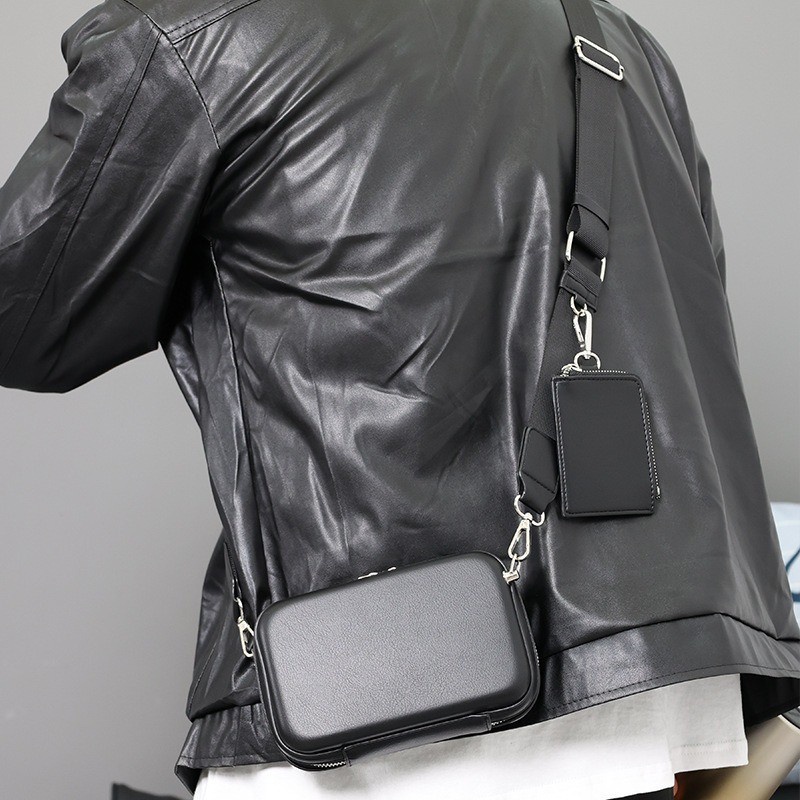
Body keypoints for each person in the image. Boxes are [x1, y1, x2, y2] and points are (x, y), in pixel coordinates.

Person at [1, 0, 798, 798]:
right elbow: (695, 337)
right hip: (652, 713)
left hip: (375, 734)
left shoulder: (198, 34)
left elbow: (23, 318)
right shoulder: (617, 44)